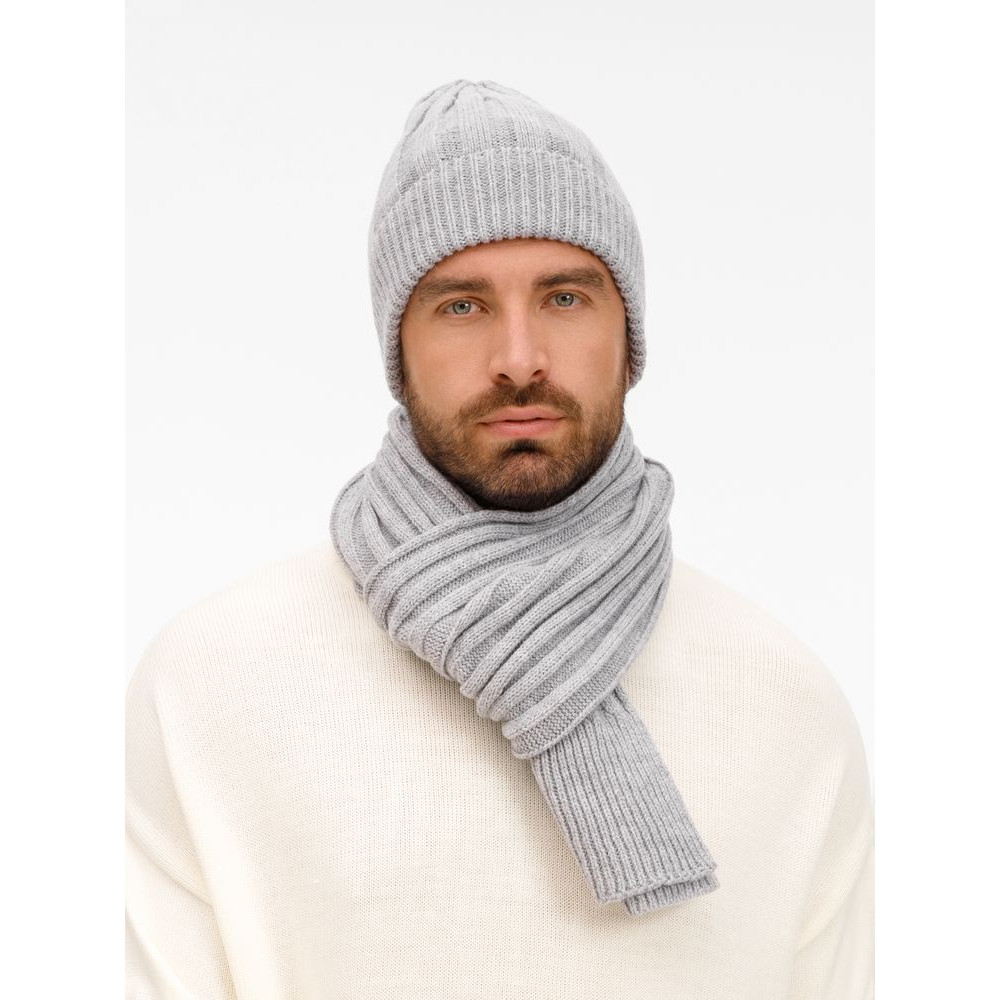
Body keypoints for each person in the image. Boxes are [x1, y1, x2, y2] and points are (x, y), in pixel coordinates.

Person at [125, 79, 874, 998]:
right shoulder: (209, 687)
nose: (519, 358)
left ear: (630, 336)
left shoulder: (788, 705)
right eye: (462, 305)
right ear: (397, 350)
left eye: (565, 297)